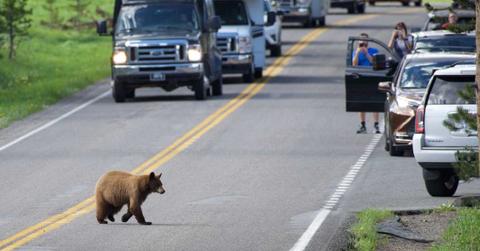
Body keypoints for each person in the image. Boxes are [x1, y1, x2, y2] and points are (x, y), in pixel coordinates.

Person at [352, 33, 381, 134]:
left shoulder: (374, 51)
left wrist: (366, 53)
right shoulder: (356, 51)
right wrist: (357, 53)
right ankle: (363, 124)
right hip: (361, 78)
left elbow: (375, 63)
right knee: (362, 102)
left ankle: (376, 124)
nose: (363, 43)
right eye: (361, 41)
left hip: (372, 77)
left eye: (365, 40)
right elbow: (354, 64)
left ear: (368, 41)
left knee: (374, 102)